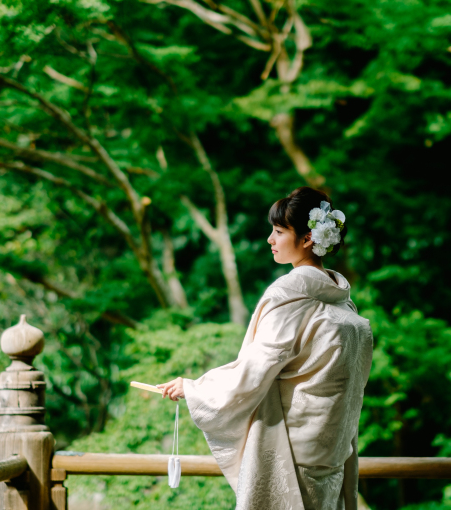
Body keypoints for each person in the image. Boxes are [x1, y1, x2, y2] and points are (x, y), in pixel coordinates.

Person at [157, 187, 373, 510]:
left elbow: (254, 369)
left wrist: (194, 388)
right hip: (332, 457)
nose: (270, 240)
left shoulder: (290, 296)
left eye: (278, 231)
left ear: (308, 240)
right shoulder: (348, 309)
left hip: (292, 455)